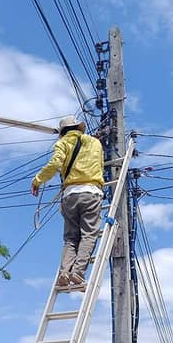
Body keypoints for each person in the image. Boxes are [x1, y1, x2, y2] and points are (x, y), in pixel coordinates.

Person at [31, 115, 104, 289]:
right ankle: (78, 273)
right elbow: (100, 166)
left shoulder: (63, 143)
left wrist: (37, 180)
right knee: (88, 234)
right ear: (79, 128)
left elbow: (55, 163)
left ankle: (64, 273)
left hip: (69, 195)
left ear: (63, 131)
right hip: (91, 192)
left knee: (71, 238)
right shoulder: (95, 143)